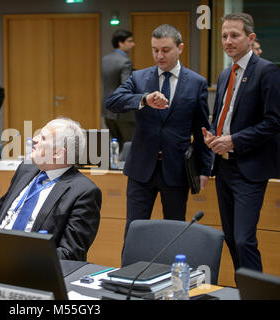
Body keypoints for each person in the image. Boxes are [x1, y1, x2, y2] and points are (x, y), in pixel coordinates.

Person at [106, 24, 212, 241]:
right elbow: (112, 101)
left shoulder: (196, 83)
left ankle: (170, 274)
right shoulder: (139, 78)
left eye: (165, 50)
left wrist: (204, 168)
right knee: (134, 229)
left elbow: (202, 129)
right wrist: (144, 99)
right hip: (141, 169)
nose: (159, 56)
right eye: (155, 50)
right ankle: (127, 273)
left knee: (173, 232)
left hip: (176, 169)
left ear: (180, 48)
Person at [202, 13, 280, 273]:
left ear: (251, 38)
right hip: (223, 168)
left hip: (249, 168)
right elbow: (226, 115)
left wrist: (234, 140)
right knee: (232, 239)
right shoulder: (226, 74)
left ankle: (257, 293)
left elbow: (274, 122)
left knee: (245, 239)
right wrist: (213, 136)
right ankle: (243, 289)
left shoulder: (267, 71)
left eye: (234, 35)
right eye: (224, 36)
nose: (228, 41)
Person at [0, 118, 101, 261]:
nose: (34, 139)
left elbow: (70, 253)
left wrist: (21, 257)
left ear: (57, 153)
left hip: (31, 266)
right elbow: (0, 210)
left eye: (43, 138)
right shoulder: (25, 169)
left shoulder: (83, 192)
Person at [102, 29, 135, 150]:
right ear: (121, 43)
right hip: (123, 112)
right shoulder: (125, 62)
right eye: (130, 41)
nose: (133, 44)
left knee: (117, 146)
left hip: (107, 110)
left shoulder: (105, 59)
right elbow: (126, 86)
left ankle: (116, 168)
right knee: (129, 146)